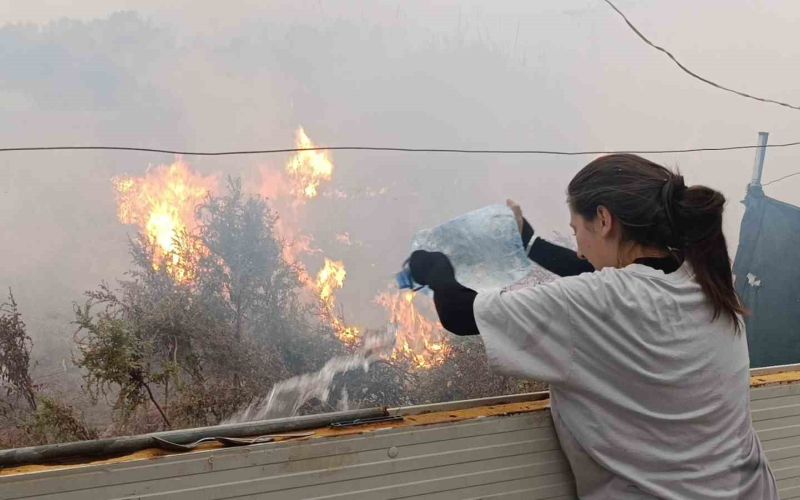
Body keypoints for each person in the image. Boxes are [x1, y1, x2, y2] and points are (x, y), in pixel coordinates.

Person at [408, 154, 779, 499]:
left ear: (603, 220)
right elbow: (606, 279)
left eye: (576, 231)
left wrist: (436, 263)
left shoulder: (599, 302)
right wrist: (530, 243)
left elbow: (459, 313)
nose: (581, 249)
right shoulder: (703, 277)